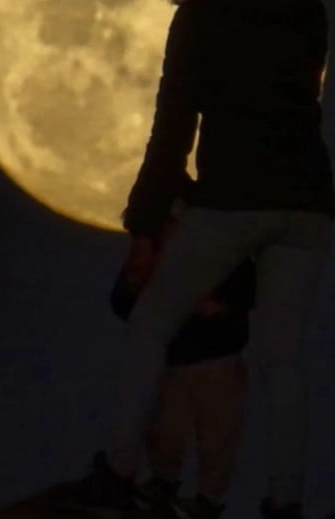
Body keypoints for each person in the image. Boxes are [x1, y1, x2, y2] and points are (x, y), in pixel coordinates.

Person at [54, 0, 335, 519]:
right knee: (278, 358)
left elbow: (173, 123)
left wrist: (145, 218)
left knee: (152, 323)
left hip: (235, 196)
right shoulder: (306, 9)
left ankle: (124, 471)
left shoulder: (206, 10)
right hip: (311, 204)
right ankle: (284, 501)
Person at [109, 220, 256, 519]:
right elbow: (123, 302)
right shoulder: (154, 258)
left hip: (219, 359)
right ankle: (162, 488)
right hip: (175, 361)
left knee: (218, 436)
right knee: (166, 431)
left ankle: (207, 501)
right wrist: (137, 280)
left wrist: (203, 302)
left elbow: (242, 294)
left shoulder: (225, 252)